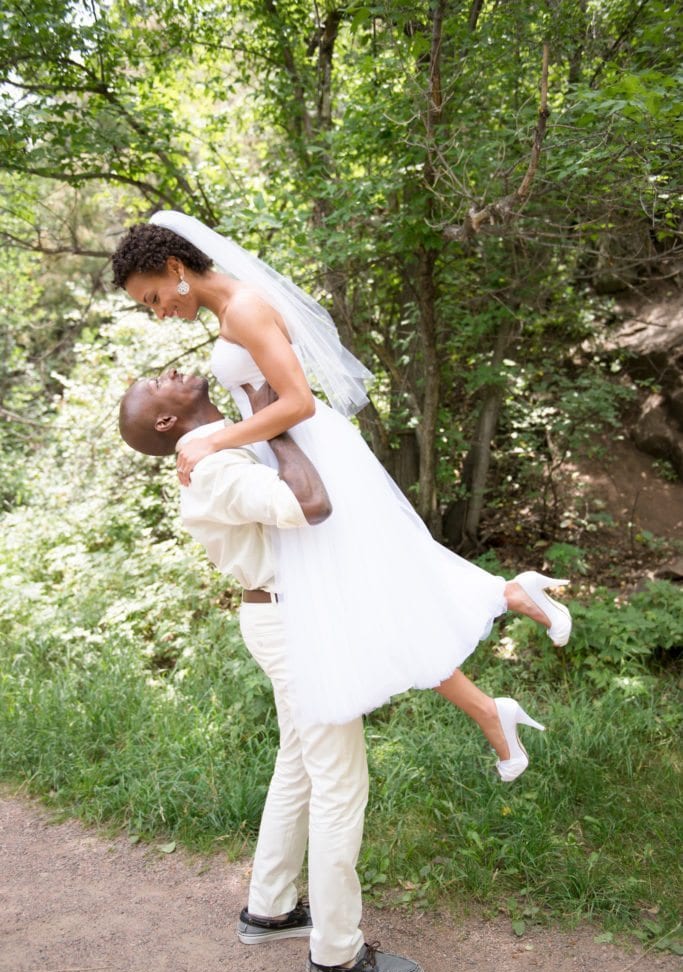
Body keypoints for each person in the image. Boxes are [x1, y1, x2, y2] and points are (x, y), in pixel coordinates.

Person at [112, 211, 572, 782]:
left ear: (177, 269)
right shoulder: (230, 311)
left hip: (313, 457)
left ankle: (507, 616)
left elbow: (297, 401)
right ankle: (497, 669)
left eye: (154, 298)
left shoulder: (245, 308)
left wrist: (217, 442)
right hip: (295, 455)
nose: (159, 313)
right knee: (374, 597)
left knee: (374, 593)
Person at [118, 370, 426, 972]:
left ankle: (271, 906)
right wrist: (276, 419)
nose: (170, 370)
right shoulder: (216, 471)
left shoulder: (223, 452)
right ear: (165, 423)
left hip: (284, 616)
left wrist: (257, 421)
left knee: (299, 763)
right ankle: (337, 952)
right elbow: (311, 505)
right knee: (341, 781)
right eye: (156, 383)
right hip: (292, 623)